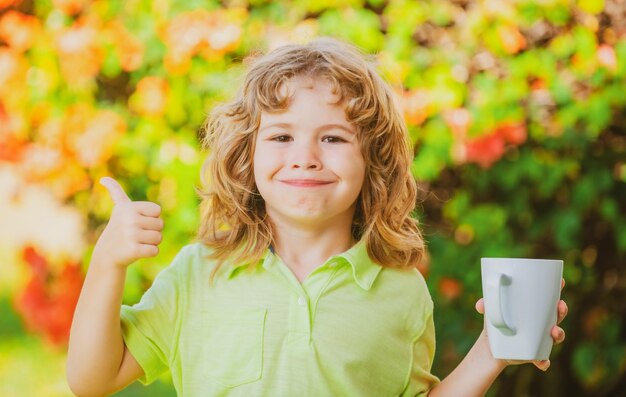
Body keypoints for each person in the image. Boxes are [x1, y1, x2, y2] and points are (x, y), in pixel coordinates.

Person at [66, 38, 567, 397]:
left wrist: (492, 352)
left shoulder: (400, 289)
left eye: (332, 138)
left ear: (373, 161)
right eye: (281, 137)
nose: (305, 156)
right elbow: (92, 380)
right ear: (247, 157)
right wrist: (108, 263)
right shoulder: (199, 273)